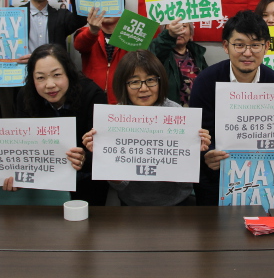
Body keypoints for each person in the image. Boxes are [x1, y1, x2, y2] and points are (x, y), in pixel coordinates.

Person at [189, 10, 274, 206]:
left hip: (267, 177)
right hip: (217, 176)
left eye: (255, 45)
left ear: (267, 46)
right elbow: (197, 135)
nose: (247, 53)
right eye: (239, 45)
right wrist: (205, 156)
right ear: (226, 46)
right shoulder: (206, 82)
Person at [81, 49, 212, 206]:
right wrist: (102, 154)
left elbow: (185, 182)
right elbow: (119, 185)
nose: (143, 88)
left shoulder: (176, 113)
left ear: (160, 81)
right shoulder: (115, 118)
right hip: (130, 204)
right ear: (123, 85)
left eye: (151, 80)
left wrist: (194, 152)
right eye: (134, 82)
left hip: (176, 204)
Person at [14, 44, 108, 205]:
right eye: (40, 78)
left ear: (69, 74)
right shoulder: (25, 96)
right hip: (42, 184)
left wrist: (85, 157)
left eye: (57, 75)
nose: (50, 84)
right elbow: (20, 144)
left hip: (86, 184)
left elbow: (104, 149)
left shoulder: (92, 94)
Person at [148, 17, 208, 106]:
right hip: (169, 113)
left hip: (195, 113)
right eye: (174, 26)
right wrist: (169, 36)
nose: (179, 30)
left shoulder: (197, 54)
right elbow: (155, 51)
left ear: (191, 34)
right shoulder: (160, 53)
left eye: (184, 26)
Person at [74, 7, 126, 104]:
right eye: (102, 7)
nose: (106, 11)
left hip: (122, 99)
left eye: (112, 7)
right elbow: (79, 45)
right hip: (91, 98)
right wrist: (92, 31)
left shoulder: (131, 35)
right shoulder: (86, 32)